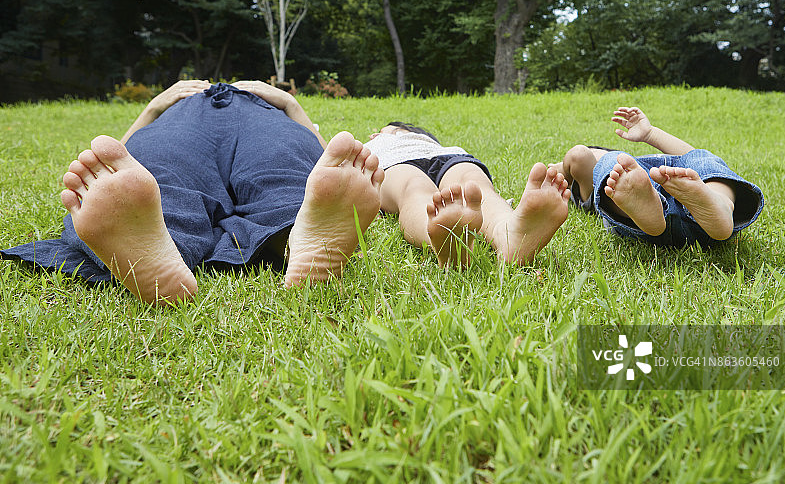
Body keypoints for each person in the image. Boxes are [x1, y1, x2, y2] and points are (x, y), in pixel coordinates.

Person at [1, 81, 384, 305]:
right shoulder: (179, 100)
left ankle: (304, 236)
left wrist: (287, 103)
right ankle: (156, 244)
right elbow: (116, 159)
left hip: (262, 116)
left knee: (284, 167)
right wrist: (157, 105)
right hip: (184, 118)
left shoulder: (274, 103)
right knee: (157, 171)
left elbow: (325, 158)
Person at [365, 122, 571, 267]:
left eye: (394, 129)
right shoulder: (372, 147)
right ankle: (441, 236)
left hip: (447, 157)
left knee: (473, 182)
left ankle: (509, 234)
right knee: (413, 188)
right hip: (395, 163)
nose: (386, 132)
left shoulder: (427, 141)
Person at [555, 106, 763, 246]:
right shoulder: (613, 174)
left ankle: (719, 206)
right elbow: (578, 155)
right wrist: (560, 170)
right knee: (702, 160)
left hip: (687, 197)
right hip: (653, 205)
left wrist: (649, 134)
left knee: (701, 161)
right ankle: (720, 204)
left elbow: (691, 157)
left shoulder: (630, 169)